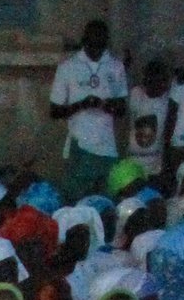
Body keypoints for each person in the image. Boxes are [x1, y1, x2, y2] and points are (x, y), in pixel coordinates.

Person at [46, 21, 126, 201]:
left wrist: (104, 105)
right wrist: (82, 105)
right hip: (80, 147)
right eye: (93, 44)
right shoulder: (68, 67)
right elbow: (54, 111)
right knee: (75, 201)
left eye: (101, 45)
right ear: (84, 41)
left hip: (108, 149)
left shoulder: (115, 66)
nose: (97, 49)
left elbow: (122, 109)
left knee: (104, 203)